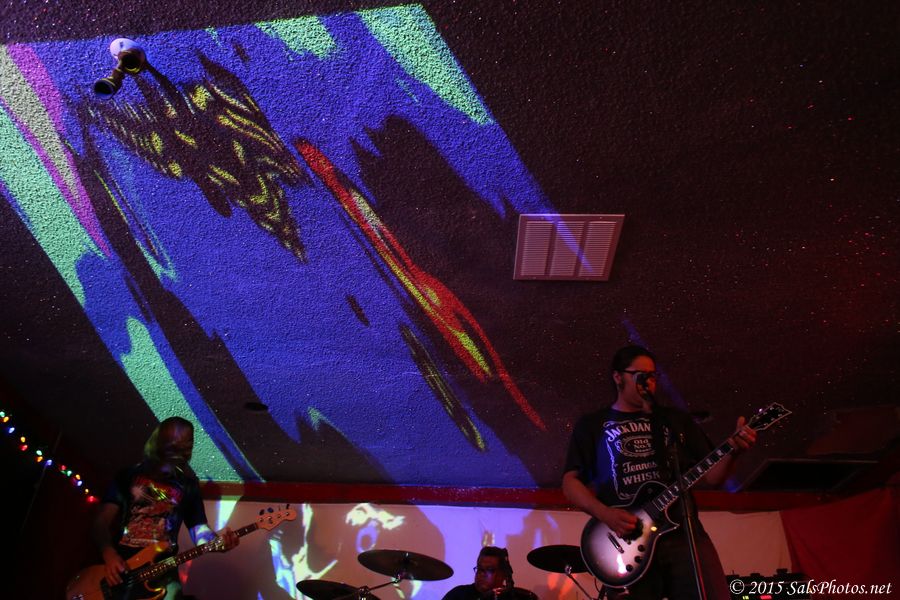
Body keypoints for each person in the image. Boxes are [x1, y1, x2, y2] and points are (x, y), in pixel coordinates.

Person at [562, 345, 757, 600]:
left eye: (652, 376)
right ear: (618, 377)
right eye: (640, 375)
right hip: (627, 538)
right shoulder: (592, 425)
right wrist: (605, 514)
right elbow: (570, 482)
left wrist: (734, 450)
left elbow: (713, 477)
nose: (648, 382)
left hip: (683, 534)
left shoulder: (675, 420)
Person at [91, 416, 239, 598]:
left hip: (162, 572)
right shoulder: (128, 475)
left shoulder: (188, 486)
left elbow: (199, 531)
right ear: (160, 441)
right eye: (176, 441)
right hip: (122, 569)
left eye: (188, 442)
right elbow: (101, 522)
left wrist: (218, 544)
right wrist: (108, 553)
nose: (185, 447)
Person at [442, 546, 534, 600]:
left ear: (503, 574)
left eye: (489, 569)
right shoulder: (458, 595)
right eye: (479, 568)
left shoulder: (513, 597)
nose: (481, 574)